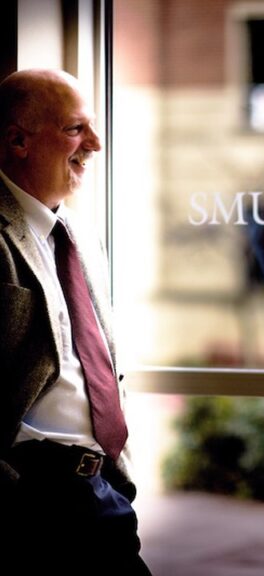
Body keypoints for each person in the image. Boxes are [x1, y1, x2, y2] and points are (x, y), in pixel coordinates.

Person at [0, 69, 151, 574]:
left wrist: (114, 478)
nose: (96, 143)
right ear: (17, 140)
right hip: (27, 504)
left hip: (100, 492)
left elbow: (94, 362)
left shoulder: (79, 236)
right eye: (74, 129)